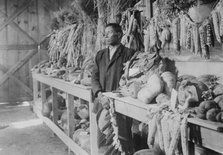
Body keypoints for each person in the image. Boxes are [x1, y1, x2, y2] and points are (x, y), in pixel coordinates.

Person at [91, 23, 135, 154]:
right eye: (105, 33)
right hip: (102, 104)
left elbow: (131, 81)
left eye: (109, 32)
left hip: (120, 106)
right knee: (103, 142)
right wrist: (100, 95)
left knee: (122, 142)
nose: (106, 35)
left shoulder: (129, 54)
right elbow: (94, 78)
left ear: (119, 35)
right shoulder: (100, 55)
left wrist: (113, 98)